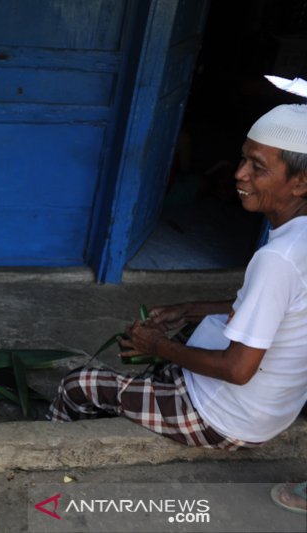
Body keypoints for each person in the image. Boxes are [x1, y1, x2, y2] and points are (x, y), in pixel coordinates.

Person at [48, 104, 307, 450]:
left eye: (257, 167)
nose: (240, 174)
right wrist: (187, 309)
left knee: (76, 386)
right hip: (273, 409)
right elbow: (278, 309)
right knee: (189, 335)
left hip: (226, 418)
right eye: (243, 159)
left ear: (301, 182)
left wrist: (156, 346)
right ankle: (141, 396)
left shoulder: (277, 259)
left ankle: (51, 456)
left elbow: (237, 370)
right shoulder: (296, 240)